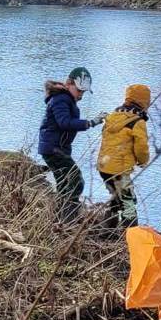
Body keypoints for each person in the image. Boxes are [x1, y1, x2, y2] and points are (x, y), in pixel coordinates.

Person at [38, 67, 104, 224]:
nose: (81, 95)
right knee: (76, 181)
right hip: (54, 149)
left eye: (83, 92)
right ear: (69, 84)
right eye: (79, 90)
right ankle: (69, 220)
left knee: (63, 183)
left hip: (55, 148)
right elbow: (64, 123)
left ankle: (59, 219)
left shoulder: (65, 99)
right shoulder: (61, 99)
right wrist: (90, 122)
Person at [97, 84, 151, 229]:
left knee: (115, 198)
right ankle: (129, 236)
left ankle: (106, 231)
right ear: (144, 102)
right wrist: (143, 161)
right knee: (129, 203)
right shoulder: (137, 121)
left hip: (103, 167)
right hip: (120, 170)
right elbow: (141, 147)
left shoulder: (112, 116)